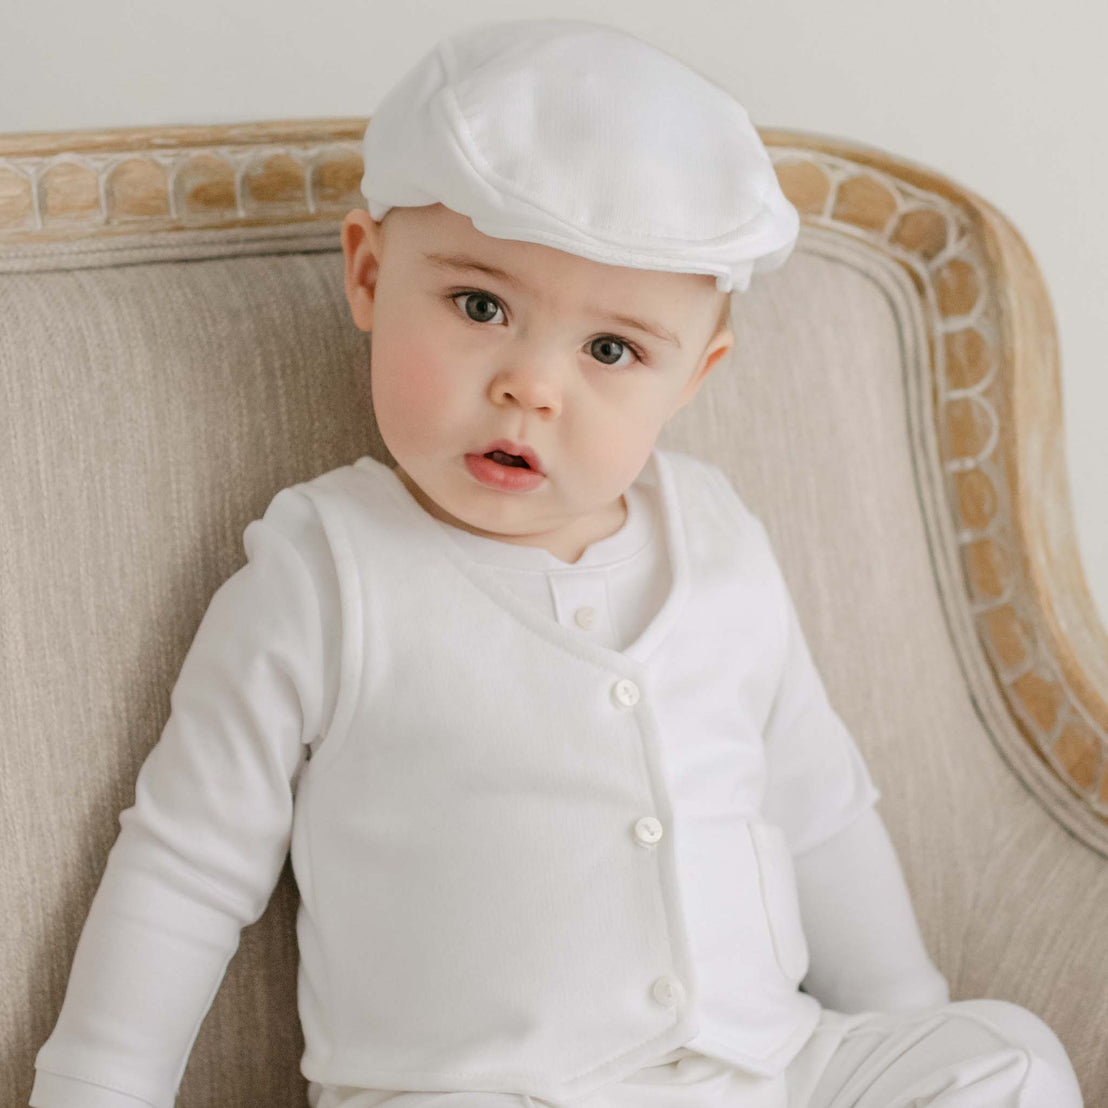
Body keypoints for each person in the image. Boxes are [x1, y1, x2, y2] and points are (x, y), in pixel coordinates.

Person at [30, 17, 1083, 1108]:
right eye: (480, 306)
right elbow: (187, 865)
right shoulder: (325, 574)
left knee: (1000, 1054)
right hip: (487, 1089)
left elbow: (816, 803)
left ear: (693, 375)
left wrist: (905, 1018)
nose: (531, 385)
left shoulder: (718, 538)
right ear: (368, 273)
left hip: (771, 1072)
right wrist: (98, 1083)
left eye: (610, 349)